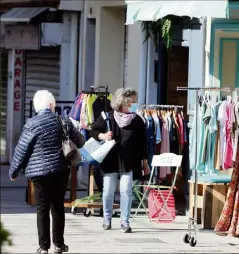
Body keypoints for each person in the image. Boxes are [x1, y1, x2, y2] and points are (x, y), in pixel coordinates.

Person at [9, 90, 85, 254]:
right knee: (57, 206)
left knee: (42, 208)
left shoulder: (31, 123)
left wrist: (14, 171)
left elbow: (22, 149)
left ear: (37, 106)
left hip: (38, 173)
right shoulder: (63, 121)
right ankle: (59, 245)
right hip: (60, 170)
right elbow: (81, 141)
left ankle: (43, 247)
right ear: (51, 105)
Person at [90, 88, 150, 233]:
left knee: (126, 191)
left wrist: (145, 163)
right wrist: (103, 136)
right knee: (108, 192)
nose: (135, 104)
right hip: (110, 161)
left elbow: (142, 144)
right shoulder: (107, 117)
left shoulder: (137, 120)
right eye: (132, 101)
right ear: (123, 102)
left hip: (129, 162)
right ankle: (107, 218)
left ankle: (125, 221)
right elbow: (93, 130)